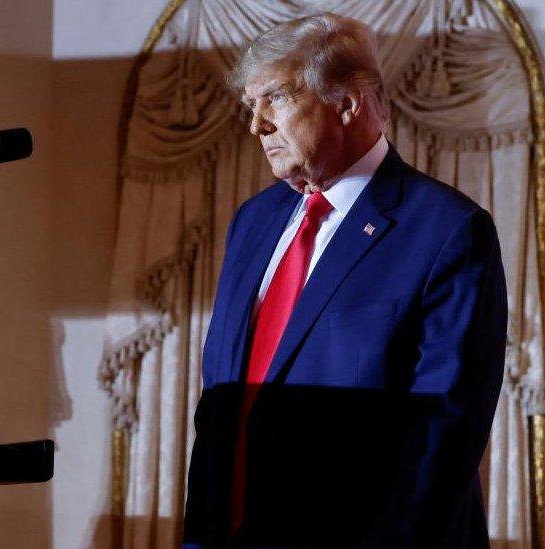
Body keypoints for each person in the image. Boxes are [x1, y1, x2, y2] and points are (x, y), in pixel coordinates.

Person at [183, 13, 507, 548]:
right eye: (251, 105)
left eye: (277, 99)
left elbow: (444, 434)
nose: (256, 125)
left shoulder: (448, 230)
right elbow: (219, 408)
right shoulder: (253, 220)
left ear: (349, 102)